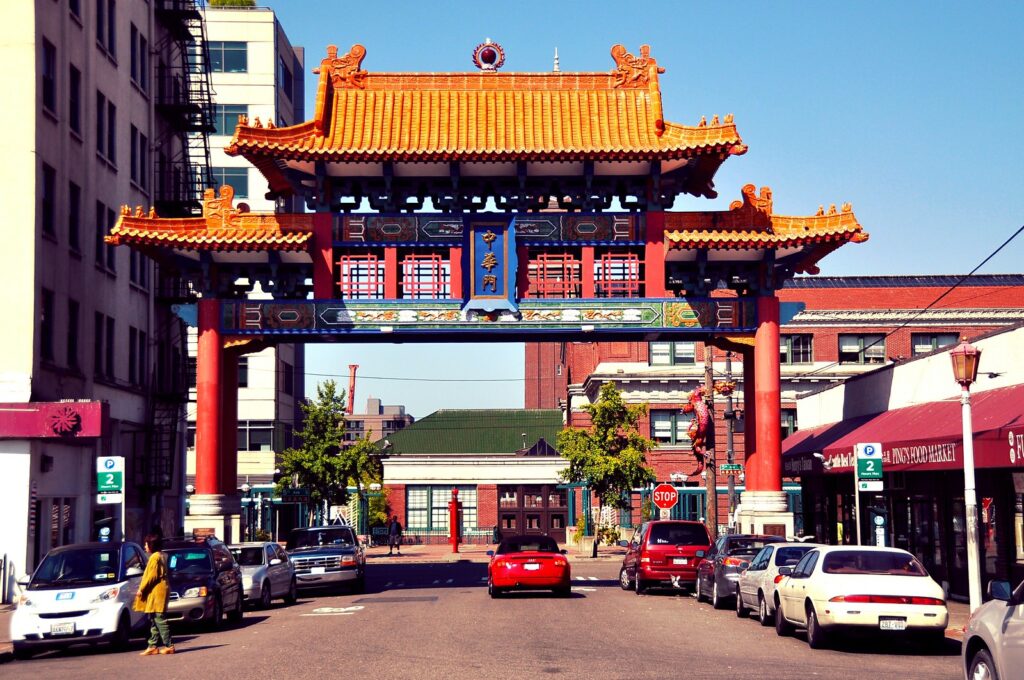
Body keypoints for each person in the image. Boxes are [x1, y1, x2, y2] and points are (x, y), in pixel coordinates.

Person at [134, 533, 173, 655]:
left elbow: (151, 576)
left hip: (157, 591)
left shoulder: (155, 557)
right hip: (159, 590)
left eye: (146, 544)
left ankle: (169, 645)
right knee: (154, 619)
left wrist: (142, 589)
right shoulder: (160, 555)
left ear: (151, 545)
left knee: (159, 618)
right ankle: (152, 645)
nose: (145, 546)